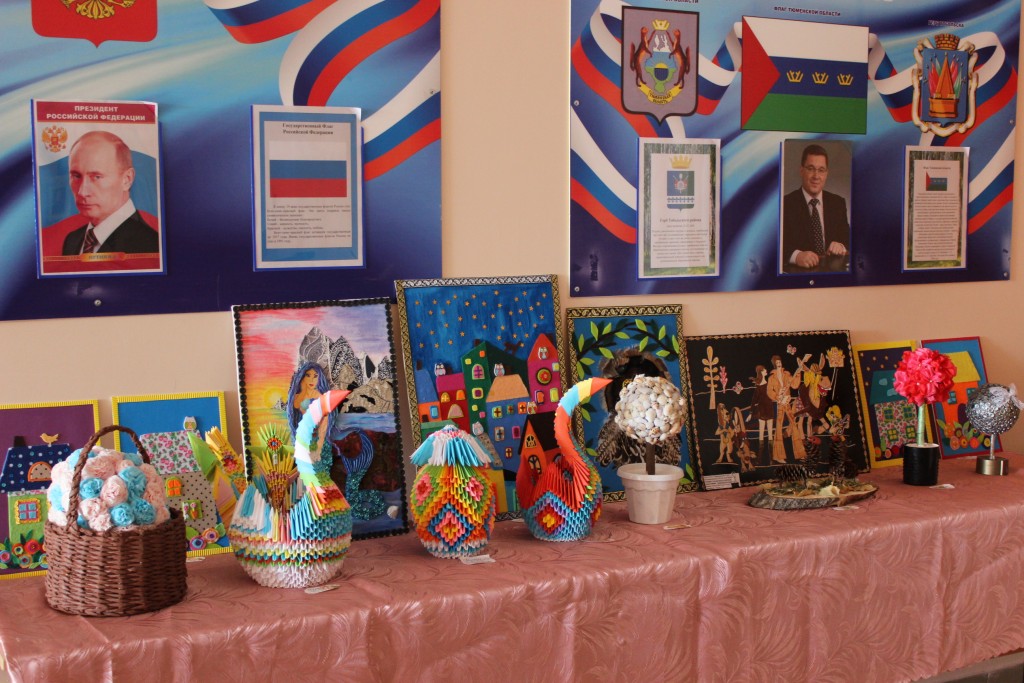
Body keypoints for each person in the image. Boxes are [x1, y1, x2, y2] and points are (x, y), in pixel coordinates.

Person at [60, 131, 159, 256]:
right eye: (76, 176)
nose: (82, 192)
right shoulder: (72, 241)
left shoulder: (151, 246)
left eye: (96, 177)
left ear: (127, 179)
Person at [781, 143, 849, 273]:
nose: (816, 176)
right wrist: (796, 256)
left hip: (832, 276)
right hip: (800, 276)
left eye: (821, 170)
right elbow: (774, 247)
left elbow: (848, 239)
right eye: (811, 169)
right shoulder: (785, 204)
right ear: (802, 171)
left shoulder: (838, 203)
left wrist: (841, 246)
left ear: (826, 173)